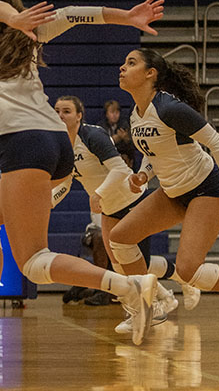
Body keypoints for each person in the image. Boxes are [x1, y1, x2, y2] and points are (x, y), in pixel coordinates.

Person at [0, 0, 165, 356]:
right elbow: (76, 14)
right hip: (58, 144)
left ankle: (131, 288)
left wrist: (11, 17)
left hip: (24, 143)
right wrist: (126, 17)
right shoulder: (25, 35)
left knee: (33, 261)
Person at [107, 49, 219, 314]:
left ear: (150, 73)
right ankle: (144, 309)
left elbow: (217, 142)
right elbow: (151, 153)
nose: (122, 67)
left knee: (188, 270)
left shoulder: (169, 108)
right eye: (124, 62)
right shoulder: (135, 114)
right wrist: (144, 174)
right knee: (119, 237)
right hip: (173, 191)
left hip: (206, 189)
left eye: (131, 63)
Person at [53, 95, 182, 329]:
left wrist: (98, 193)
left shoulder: (93, 135)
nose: (60, 116)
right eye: (57, 111)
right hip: (110, 209)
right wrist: (50, 201)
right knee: (121, 267)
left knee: (133, 267)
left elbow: (120, 170)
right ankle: (162, 298)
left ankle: (151, 309)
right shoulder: (61, 145)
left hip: (132, 201)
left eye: (67, 111)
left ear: (79, 115)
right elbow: (66, 181)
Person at [98, 99, 138, 166]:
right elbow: (100, 145)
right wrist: (114, 139)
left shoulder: (125, 125)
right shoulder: (101, 126)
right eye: (112, 112)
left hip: (124, 154)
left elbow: (132, 146)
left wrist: (126, 139)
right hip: (108, 155)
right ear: (106, 114)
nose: (114, 115)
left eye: (117, 112)